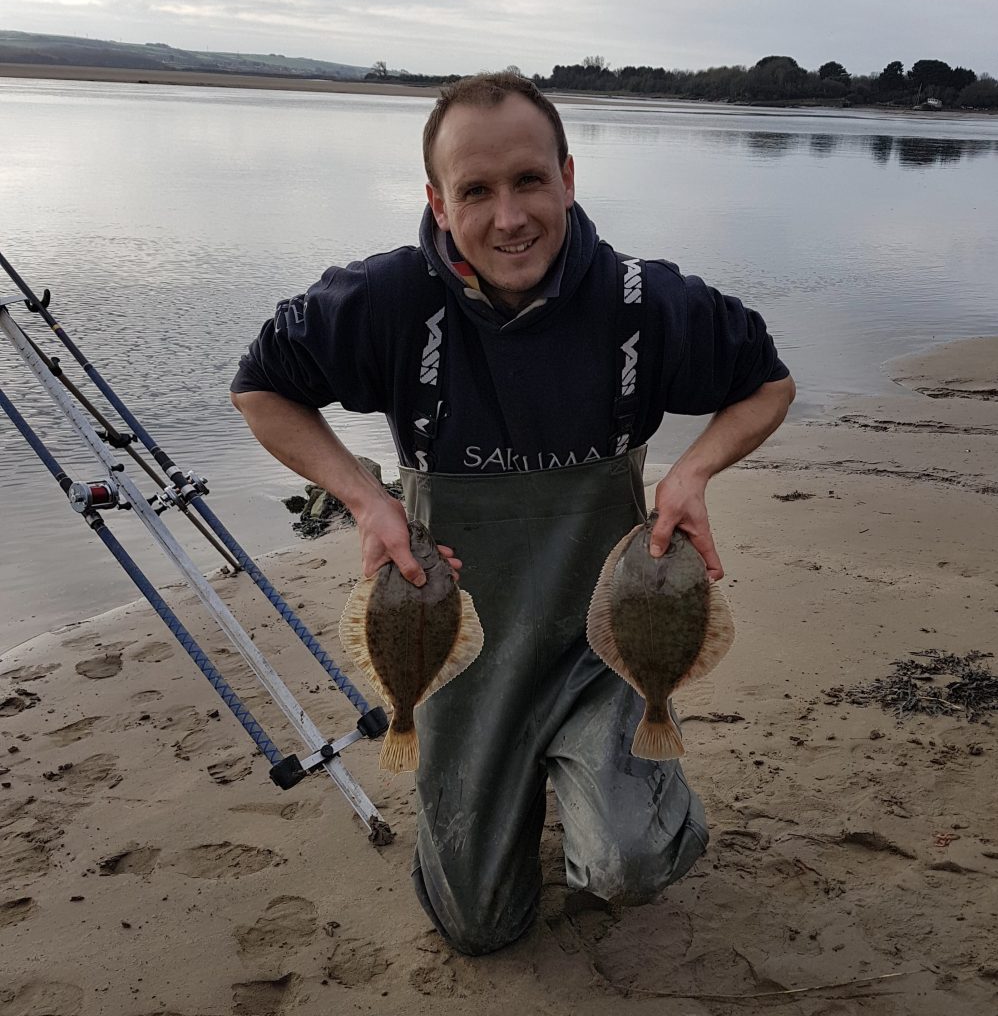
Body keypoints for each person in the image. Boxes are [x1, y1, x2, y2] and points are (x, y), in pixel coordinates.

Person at [230, 72, 794, 955]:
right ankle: (503, 791)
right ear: (436, 200)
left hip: (597, 645)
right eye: (476, 192)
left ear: (568, 175)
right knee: (479, 927)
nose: (509, 218)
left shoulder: (643, 303)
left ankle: (609, 786)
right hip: (466, 647)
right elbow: (260, 389)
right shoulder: (384, 302)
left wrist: (692, 474)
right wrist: (366, 497)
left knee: (630, 864)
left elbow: (768, 383)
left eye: (530, 180)